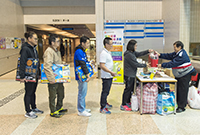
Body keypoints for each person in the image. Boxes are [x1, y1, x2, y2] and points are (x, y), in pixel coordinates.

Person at [156, 41, 196, 113]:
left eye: (175, 47)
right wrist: (160, 55)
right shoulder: (177, 53)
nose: (174, 49)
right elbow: (169, 55)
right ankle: (179, 104)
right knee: (179, 90)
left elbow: (173, 63)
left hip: (185, 75)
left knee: (182, 91)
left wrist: (162, 65)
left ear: (179, 47)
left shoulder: (182, 55)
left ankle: (182, 107)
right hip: (180, 74)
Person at [121, 39, 153, 111]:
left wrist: (148, 51)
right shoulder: (129, 55)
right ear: (132, 46)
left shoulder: (132, 53)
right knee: (128, 90)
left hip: (131, 74)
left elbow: (139, 54)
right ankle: (123, 104)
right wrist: (145, 65)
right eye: (135, 46)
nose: (136, 47)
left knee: (131, 89)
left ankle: (127, 102)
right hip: (129, 75)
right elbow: (135, 64)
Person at [19, 31, 43, 119]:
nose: (36, 40)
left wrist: (39, 73)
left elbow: (36, 62)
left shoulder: (34, 48)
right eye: (35, 38)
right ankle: (28, 111)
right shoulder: (25, 49)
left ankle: (34, 107)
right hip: (28, 75)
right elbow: (22, 62)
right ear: (29, 39)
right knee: (28, 92)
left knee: (33, 92)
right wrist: (22, 76)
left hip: (34, 74)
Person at [43, 34, 67, 118]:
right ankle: (53, 111)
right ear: (52, 42)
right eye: (57, 41)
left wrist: (63, 64)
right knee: (53, 95)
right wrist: (51, 78)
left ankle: (59, 107)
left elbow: (57, 64)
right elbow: (47, 65)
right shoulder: (49, 51)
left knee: (61, 93)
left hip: (59, 77)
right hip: (53, 78)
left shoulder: (57, 51)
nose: (59, 43)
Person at [74, 36, 91, 117]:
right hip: (81, 76)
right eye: (87, 43)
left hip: (83, 75)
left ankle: (83, 107)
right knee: (82, 92)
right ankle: (81, 110)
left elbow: (85, 62)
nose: (88, 45)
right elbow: (82, 64)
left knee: (83, 92)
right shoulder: (79, 51)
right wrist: (88, 75)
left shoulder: (82, 51)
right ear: (82, 43)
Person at [99, 37, 117, 114]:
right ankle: (102, 107)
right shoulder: (103, 53)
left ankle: (105, 103)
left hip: (109, 75)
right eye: (111, 44)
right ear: (106, 44)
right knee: (105, 91)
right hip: (106, 76)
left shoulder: (108, 52)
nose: (112, 45)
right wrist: (110, 72)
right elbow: (102, 66)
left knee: (107, 91)